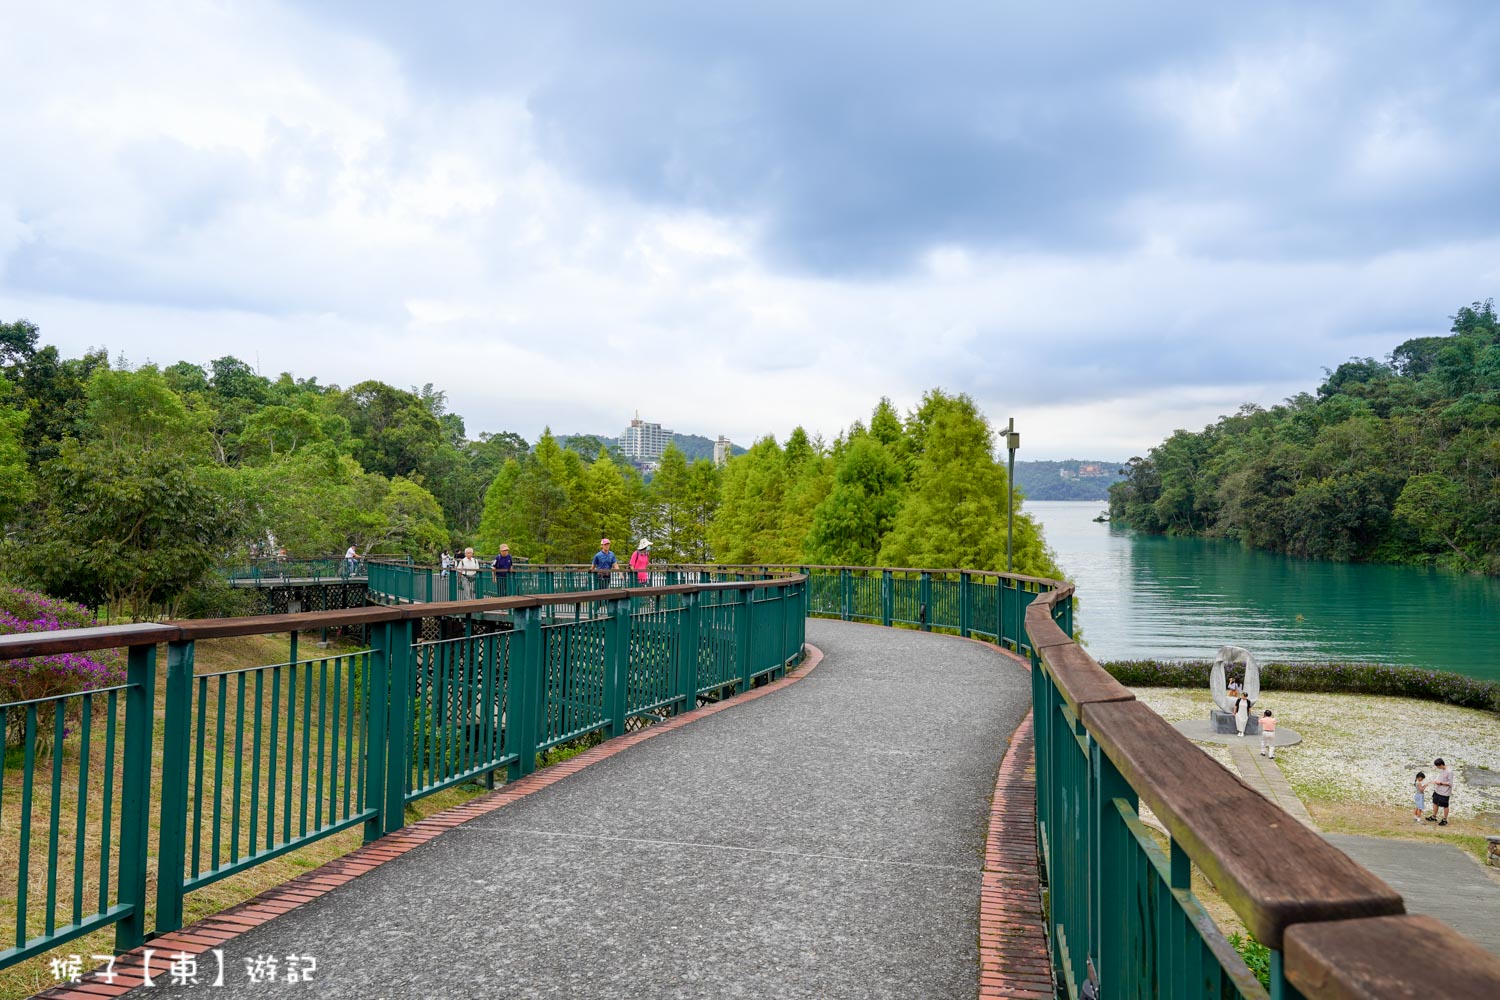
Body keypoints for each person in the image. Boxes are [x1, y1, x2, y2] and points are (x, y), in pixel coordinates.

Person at [1428, 758, 1453, 825]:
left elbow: (1450, 783)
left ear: (1441, 765)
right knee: (1435, 803)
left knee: (1445, 806)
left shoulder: (1449, 771)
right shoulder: (1442, 770)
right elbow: (1440, 778)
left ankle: (1444, 820)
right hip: (1437, 790)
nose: (1437, 767)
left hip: (1445, 792)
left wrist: (1440, 783)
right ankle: (1434, 816)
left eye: (1437, 766)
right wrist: (1435, 781)